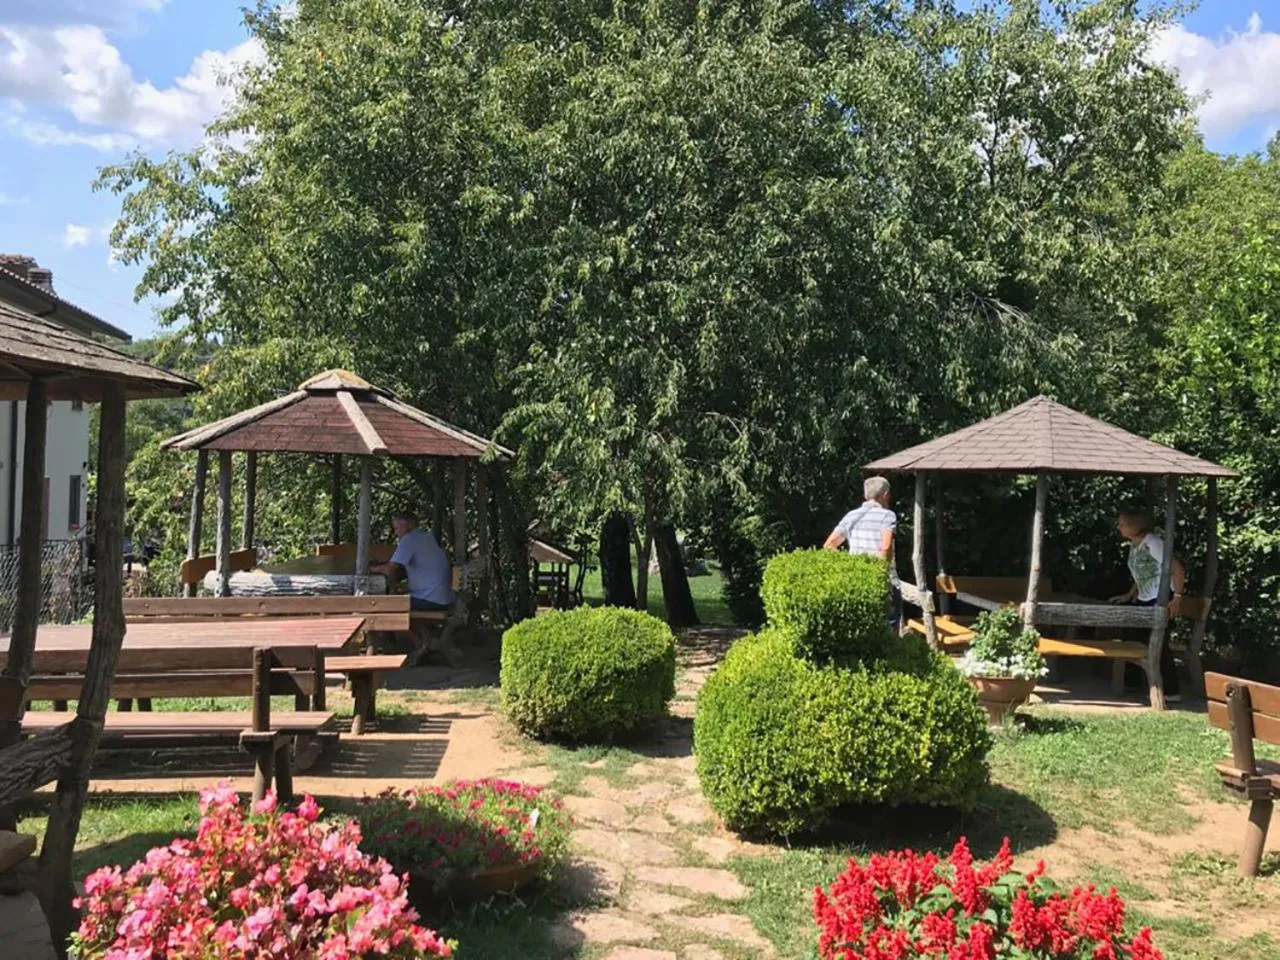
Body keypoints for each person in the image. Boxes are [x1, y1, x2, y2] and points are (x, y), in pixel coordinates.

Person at [1108, 507, 1183, 699]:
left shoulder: (1153, 544)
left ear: (1134, 527)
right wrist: (1129, 594)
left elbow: (1177, 569)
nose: (1119, 527)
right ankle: (1138, 683)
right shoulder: (1135, 545)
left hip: (1160, 598)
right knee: (1136, 639)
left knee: (1159, 644)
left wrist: (1177, 597)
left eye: (1123, 524)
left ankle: (1171, 691)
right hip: (1144, 598)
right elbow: (1143, 573)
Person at [823, 476, 901, 632]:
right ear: (885, 495)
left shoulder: (851, 516)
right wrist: (879, 572)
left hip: (857, 581)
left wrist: (850, 566)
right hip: (885, 582)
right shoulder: (887, 516)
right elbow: (885, 547)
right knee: (888, 629)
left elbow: (829, 545)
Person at [370, 511, 454, 611]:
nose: (396, 533)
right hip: (444, 598)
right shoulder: (427, 537)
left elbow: (389, 570)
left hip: (429, 600)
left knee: (380, 604)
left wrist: (371, 568)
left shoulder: (409, 539)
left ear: (406, 526)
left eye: (397, 528)